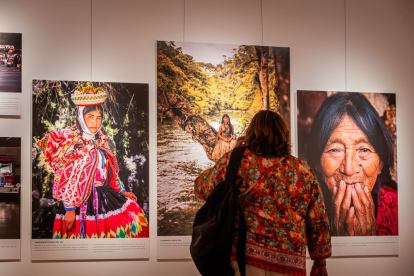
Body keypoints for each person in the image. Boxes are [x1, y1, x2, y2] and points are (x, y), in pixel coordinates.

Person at [195, 110, 331, 276]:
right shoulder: (302, 171)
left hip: (244, 260)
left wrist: (233, 156)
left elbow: (201, 187)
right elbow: (317, 218)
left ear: (252, 132)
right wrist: (319, 260)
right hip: (289, 263)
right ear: (284, 134)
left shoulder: (237, 161)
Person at [38, 83, 149, 239]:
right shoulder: (71, 144)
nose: (94, 122)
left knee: (133, 218)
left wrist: (122, 191)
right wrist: (69, 209)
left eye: (98, 118)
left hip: (104, 195)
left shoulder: (101, 141)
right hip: (79, 204)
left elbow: (109, 171)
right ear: (79, 117)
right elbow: (65, 176)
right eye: (90, 117)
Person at [306, 92, 397, 236]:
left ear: (380, 164)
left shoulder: (400, 210)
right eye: (335, 150)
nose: (348, 169)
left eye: (364, 149)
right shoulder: (300, 213)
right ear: (317, 163)